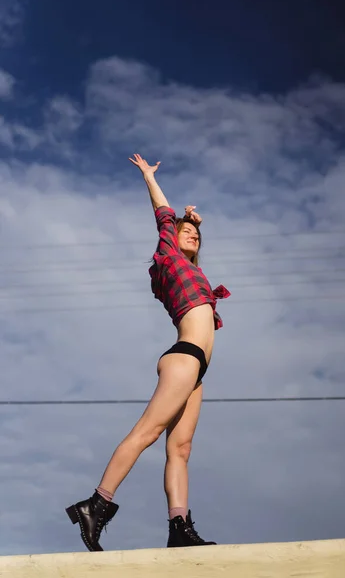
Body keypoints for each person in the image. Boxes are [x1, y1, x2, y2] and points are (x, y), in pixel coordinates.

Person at [65, 153, 230, 552]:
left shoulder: (196, 272)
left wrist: (194, 221)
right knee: (148, 432)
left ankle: (179, 527)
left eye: (196, 235)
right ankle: (96, 504)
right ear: (170, 239)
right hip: (184, 356)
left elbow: (186, 228)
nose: (192, 236)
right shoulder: (169, 258)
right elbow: (163, 214)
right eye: (185, 232)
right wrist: (150, 178)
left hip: (198, 368)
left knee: (180, 449)